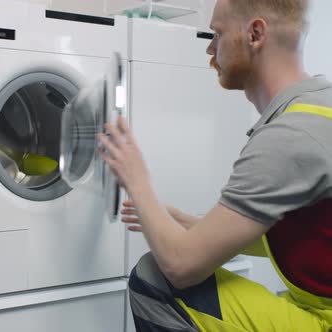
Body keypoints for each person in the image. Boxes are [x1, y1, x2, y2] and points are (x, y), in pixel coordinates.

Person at [99, 0, 332, 331]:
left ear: (255, 33)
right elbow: (306, 234)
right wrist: (191, 224)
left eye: (217, 33)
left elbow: (181, 266)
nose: (209, 48)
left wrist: (136, 179)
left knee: (156, 278)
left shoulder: (290, 136)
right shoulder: (317, 108)